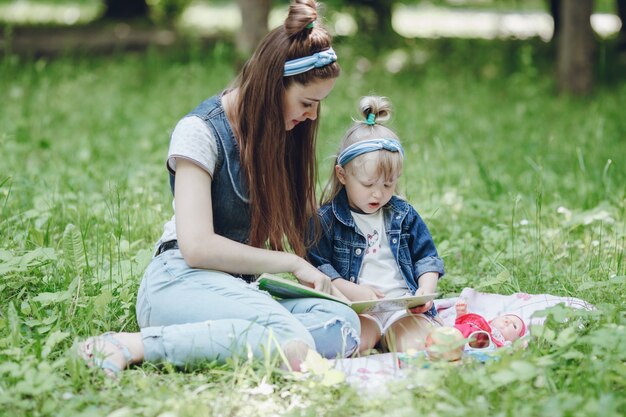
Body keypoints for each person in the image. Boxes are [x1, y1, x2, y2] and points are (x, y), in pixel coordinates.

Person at [78, 0, 360, 378]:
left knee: (342, 324)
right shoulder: (200, 132)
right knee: (288, 335)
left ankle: (222, 339)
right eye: (307, 103)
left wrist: (360, 291)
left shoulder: (282, 136)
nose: (312, 116)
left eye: (317, 107)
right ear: (272, 83)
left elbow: (309, 230)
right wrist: (292, 263)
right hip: (179, 281)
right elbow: (197, 248)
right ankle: (130, 345)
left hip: (239, 293)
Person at [306, 96, 445, 354]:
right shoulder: (326, 220)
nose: (378, 195)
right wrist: (353, 291)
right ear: (342, 175)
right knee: (348, 340)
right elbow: (317, 268)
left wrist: (425, 291)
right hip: (356, 309)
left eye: (388, 184)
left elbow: (426, 258)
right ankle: (369, 344)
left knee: (414, 345)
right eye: (368, 185)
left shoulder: (402, 215)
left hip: (401, 309)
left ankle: (398, 341)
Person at [424, 299, 527, 361]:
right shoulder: (480, 323)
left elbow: (508, 352)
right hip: (456, 334)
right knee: (438, 336)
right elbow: (462, 324)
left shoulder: (503, 343)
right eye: (506, 318)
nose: (508, 322)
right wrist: (462, 313)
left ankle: (436, 349)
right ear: (493, 320)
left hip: (468, 347)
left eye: (514, 326)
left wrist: (520, 346)